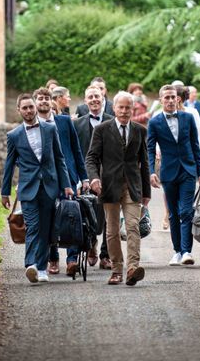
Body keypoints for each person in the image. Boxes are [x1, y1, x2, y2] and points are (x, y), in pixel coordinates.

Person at [1, 94, 74, 284]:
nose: (28, 111)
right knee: (32, 226)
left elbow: (59, 158)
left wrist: (66, 185)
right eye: (24, 108)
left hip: (50, 186)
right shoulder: (14, 135)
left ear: (35, 107)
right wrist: (4, 192)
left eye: (30, 107)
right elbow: (9, 165)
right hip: (28, 188)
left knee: (46, 229)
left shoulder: (50, 129)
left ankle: (42, 268)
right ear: (19, 110)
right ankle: (31, 264)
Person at [86, 92, 151, 286]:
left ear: (133, 109)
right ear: (113, 108)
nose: (124, 111)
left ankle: (132, 269)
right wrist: (94, 178)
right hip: (109, 186)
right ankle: (116, 270)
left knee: (132, 227)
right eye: (120, 107)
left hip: (132, 187)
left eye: (127, 108)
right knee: (112, 231)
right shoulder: (102, 130)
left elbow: (145, 163)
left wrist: (146, 192)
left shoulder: (140, 130)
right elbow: (91, 158)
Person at [148, 85, 200, 266]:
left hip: (188, 171)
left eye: (173, 97)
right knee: (173, 214)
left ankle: (187, 251)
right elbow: (150, 149)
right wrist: (151, 172)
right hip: (168, 173)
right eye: (167, 98)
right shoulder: (154, 122)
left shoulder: (188, 118)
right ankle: (177, 251)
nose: (171, 100)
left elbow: (195, 145)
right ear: (161, 101)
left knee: (186, 211)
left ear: (178, 99)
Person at [33, 88, 89, 276]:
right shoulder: (31, 125)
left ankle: (72, 259)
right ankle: (53, 258)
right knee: (48, 219)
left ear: (52, 102)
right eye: (40, 98)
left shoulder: (64, 122)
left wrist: (84, 177)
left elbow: (76, 150)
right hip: (44, 181)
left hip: (68, 178)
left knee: (71, 216)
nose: (44, 101)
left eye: (46, 98)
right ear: (35, 102)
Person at [74, 85, 114, 270]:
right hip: (85, 177)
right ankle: (91, 246)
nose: (94, 100)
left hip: (108, 175)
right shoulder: (77, 124)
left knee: (108, 216)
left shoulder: (112, 121)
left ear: (103, 98)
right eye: (90, 97)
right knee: (87, 213)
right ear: (85, 101)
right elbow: (75, 153)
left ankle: (106, 255)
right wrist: (79, 178)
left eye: (97, 96)